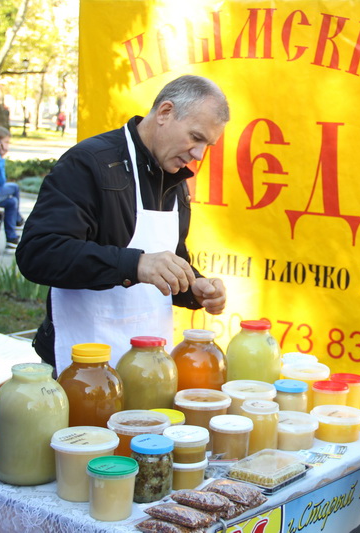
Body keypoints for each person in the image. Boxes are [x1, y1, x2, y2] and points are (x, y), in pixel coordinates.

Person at [16, 75, 229, 374]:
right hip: (81, 370)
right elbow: (39, 253)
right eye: (195, 137)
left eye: (208, 144)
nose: (199, 154)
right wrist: (135, 265)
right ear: (165, 113)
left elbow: (171, 260)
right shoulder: (88, 163)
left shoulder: (177, 182)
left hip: (149, 369)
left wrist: (195, 287)